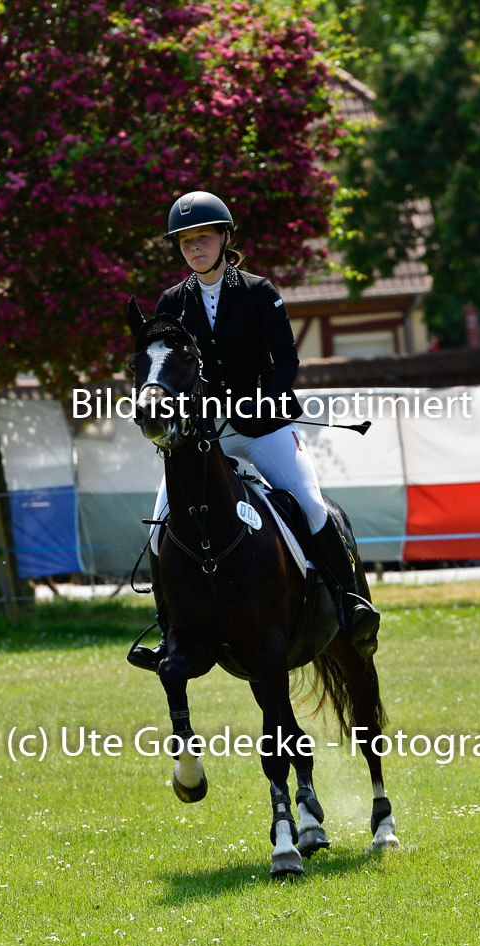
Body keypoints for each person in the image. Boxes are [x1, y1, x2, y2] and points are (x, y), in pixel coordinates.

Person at [128, 190, 379, 671]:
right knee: (162, 526)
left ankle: (350, 606)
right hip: (205, 437)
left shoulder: (260, 292)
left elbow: (286, 360)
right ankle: (170, 630)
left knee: (310, 504)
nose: (194, 248)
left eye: (203, 238)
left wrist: (266, 397)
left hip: (265, 428)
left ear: (225, 238)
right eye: (185, 242)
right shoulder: (171, 304)